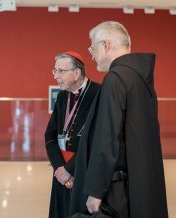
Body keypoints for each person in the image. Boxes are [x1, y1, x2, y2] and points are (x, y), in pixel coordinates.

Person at [69, 21, 168, 218]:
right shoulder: (141, 79)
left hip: (116, 191)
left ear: (106, 45)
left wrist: (95, 191)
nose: (91, 54)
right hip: (139, 185)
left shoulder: (115, 78)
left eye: (92, 47)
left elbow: (106, 138)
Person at [45, 51, 100, 218]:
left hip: (85, 170)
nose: (55, 76)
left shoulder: (99, 93)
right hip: (61, 174)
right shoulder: (62, 95)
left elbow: (98, 140)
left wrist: (70, 169)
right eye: (55, 71)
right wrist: (59, 169)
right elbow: (50, 136)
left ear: (77, 73)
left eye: (60, 71)